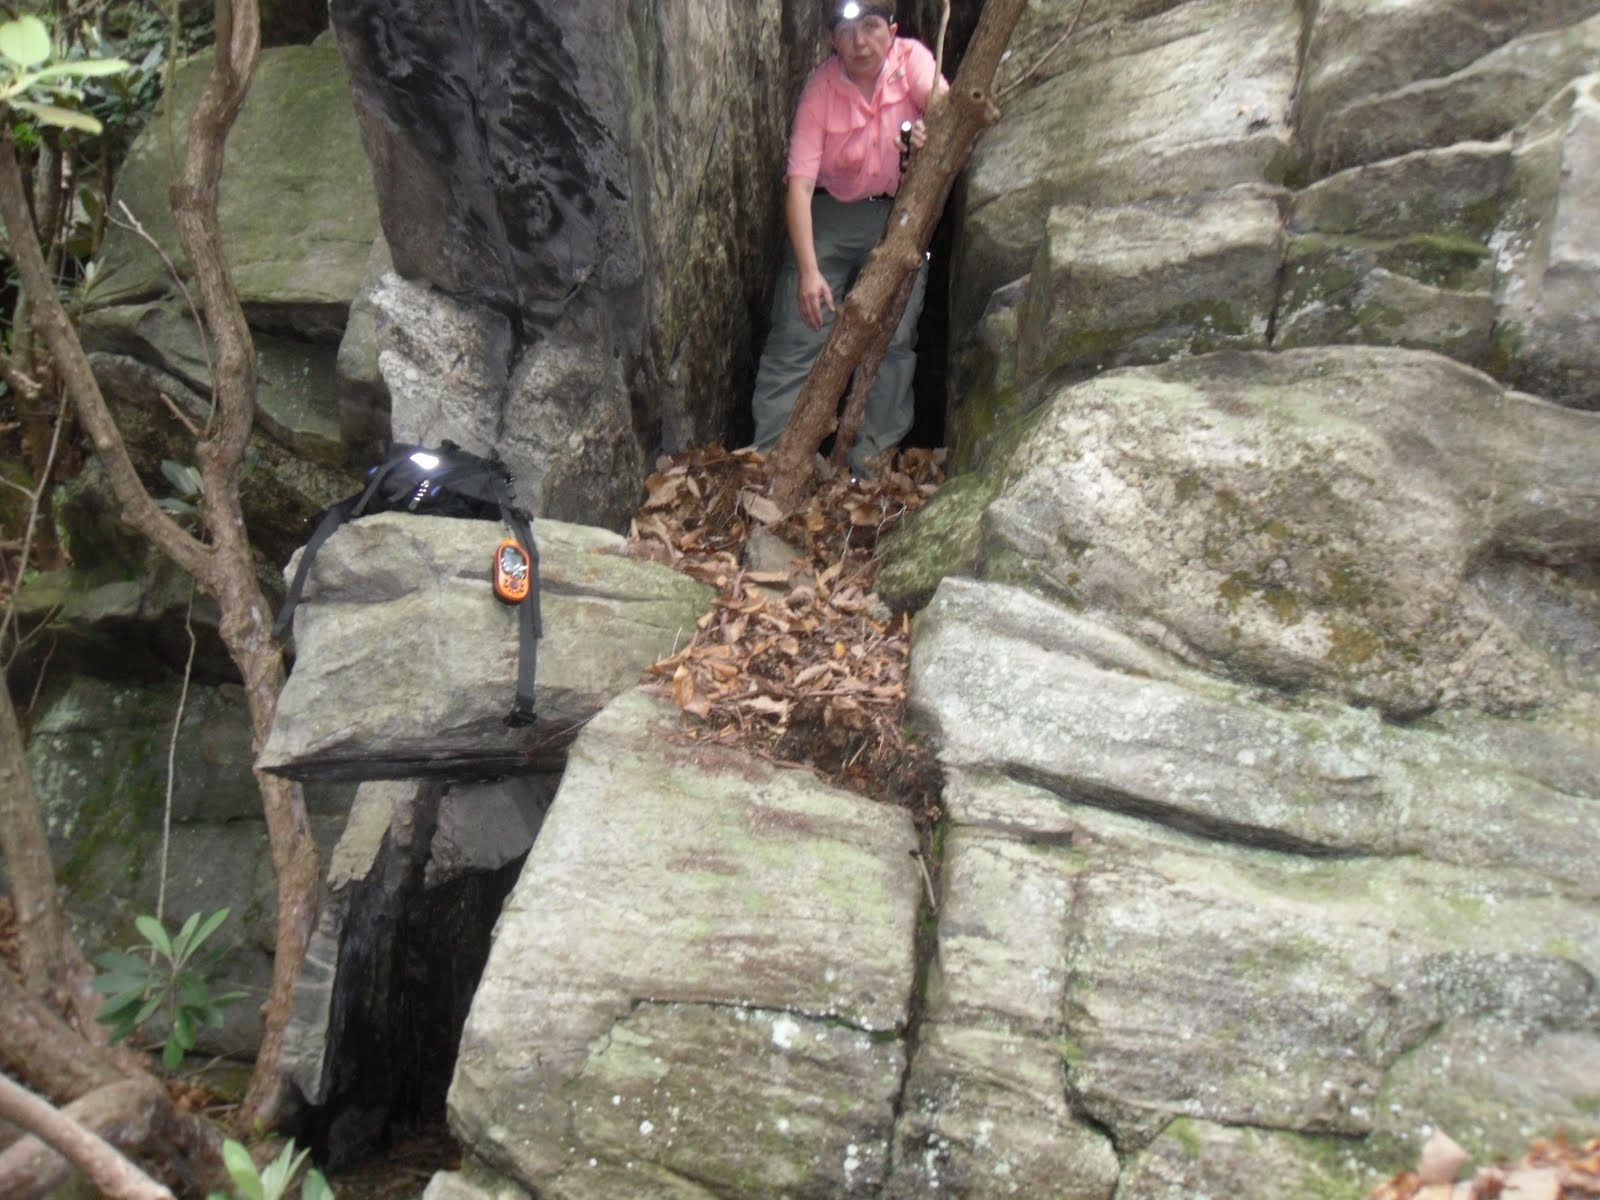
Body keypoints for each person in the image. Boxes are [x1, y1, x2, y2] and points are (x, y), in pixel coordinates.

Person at [749, 0, 944, 476]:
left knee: (893, 338)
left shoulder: (912, 61)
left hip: (899, 216)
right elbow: (799, 186)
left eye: (871, 27)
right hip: (831, 216)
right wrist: (809, 271)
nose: (860, 42)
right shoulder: (821, 90)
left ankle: (869, 468)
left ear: (891, 31)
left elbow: (947, 109)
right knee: (801, 330)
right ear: (832, 40)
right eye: (846, 30)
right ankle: (772, 460)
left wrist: (930, 130)